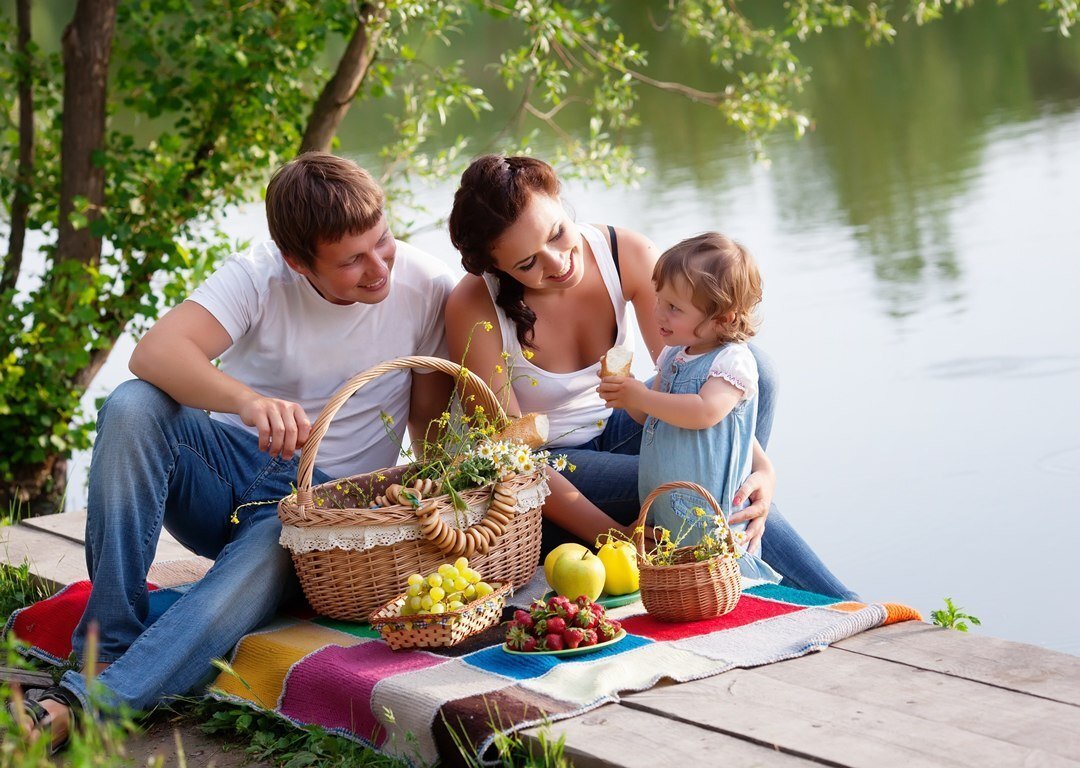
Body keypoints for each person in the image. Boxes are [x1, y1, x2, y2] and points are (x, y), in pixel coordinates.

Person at [17, 152, 455, 752]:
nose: (378, 267)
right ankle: (108, 642)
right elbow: (153, 354)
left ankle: (87, 703)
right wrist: (247, 402)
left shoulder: (428, 286)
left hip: (324, 517)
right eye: (352, 260)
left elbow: (429, 426)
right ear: (298, 262)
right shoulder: (259, 274)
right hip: (224, 478)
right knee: (133, 404)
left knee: (275, 539)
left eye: (382, 242)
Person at [445, 154, 855, 598]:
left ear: (559, 198)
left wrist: (762, 470)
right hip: (554, 473)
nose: (558, 261)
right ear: (495, 267)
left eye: (558, 233)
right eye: (527, 264)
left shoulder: (626, 253)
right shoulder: (474, 307)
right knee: (701, 489)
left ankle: (732, 559)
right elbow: (514, 461)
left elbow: (695, 375)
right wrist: (619, 539)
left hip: (624, 425)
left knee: (753, 368)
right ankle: (845, 605)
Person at [598, 232, 782, 581]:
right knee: (680, 573)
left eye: (674, 308)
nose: (658, 314)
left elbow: (703, 412)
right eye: (659, 300)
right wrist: (626, 397)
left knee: (726, 577)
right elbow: (649, 415)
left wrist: (642, 396)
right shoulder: (672, 356)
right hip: (668, 504)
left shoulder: (732, 362)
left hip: (710, 511)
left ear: (723, 318)